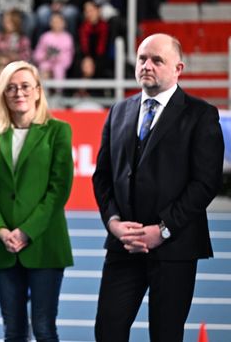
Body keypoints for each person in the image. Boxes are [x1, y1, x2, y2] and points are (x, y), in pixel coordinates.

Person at [92, 33, 224, 342]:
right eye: (142, 59)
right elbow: (103, 176)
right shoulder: (118, 112)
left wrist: (162, 229)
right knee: (107, 332)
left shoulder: (201, 115)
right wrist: (113, 223)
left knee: (166, 336)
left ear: (178, 68)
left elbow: (205, 183)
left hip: (174, 247)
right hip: (124, 247)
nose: (147, 65)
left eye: (157, 60)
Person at [0, 60, 74, 342]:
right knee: (13, 331)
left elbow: (59, 190)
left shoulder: (58, 131)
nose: (19, 92)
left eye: (25, 86)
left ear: (38, 91)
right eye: (11, 88)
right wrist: (1, 231)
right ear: (3, 94)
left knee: (44, 329)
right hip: (4, 248)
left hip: (45, 244)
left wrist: (26, 231)